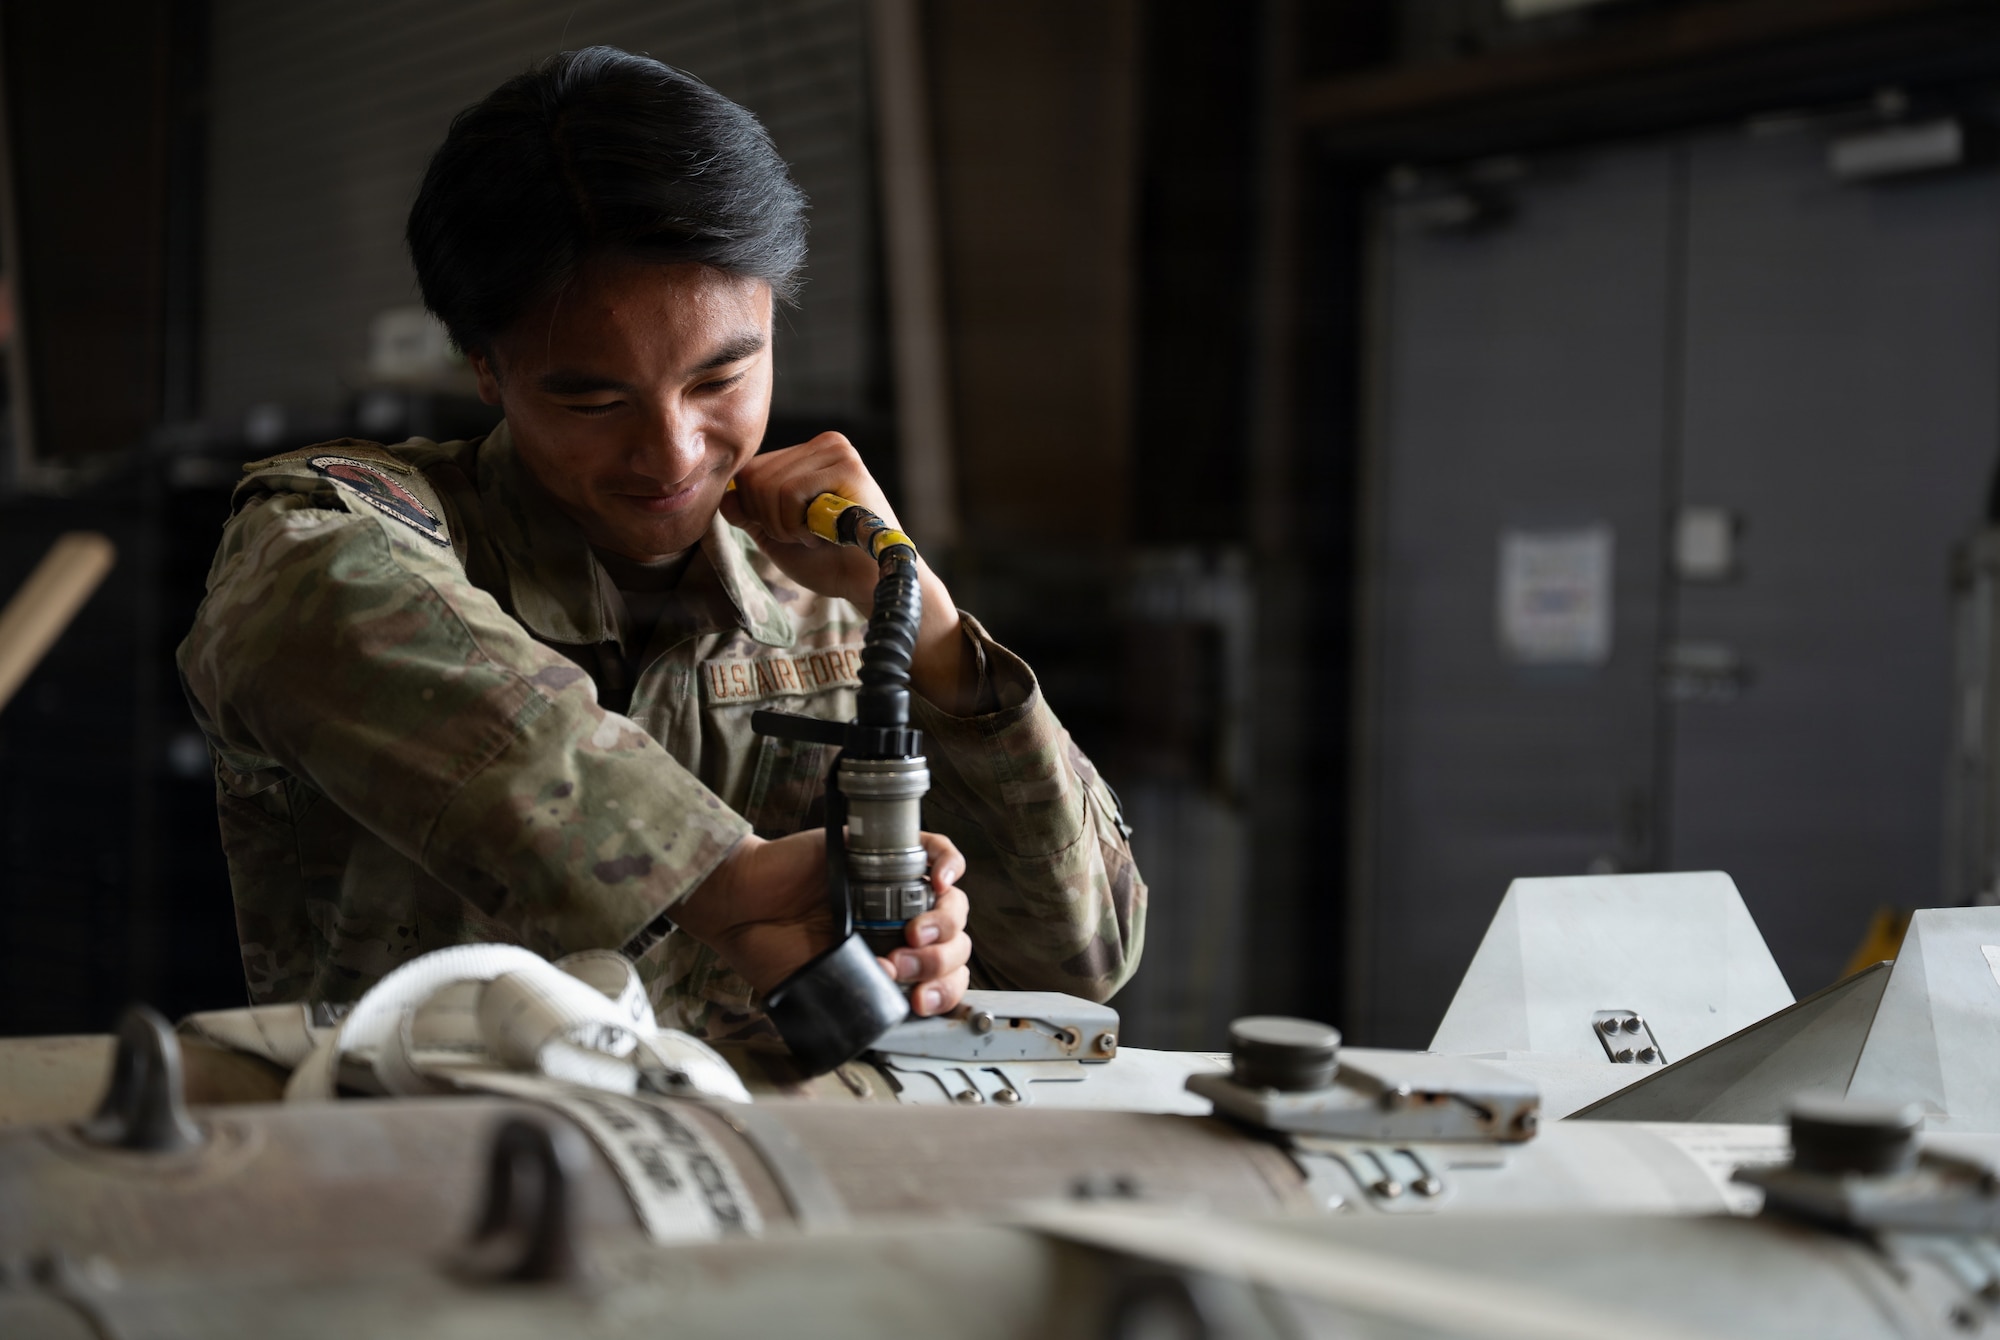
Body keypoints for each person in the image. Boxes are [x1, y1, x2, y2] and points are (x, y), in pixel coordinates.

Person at [177, 46, 1145, 1043]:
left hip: (755, 1173)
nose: (671, 450)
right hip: (423, 1160)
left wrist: (926, 625)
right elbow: (312, 589)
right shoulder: (353, 545)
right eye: (593, 397)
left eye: (721, 381)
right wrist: (726, 881)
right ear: (484, 368)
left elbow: (1079, 958)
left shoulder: (840, 589)